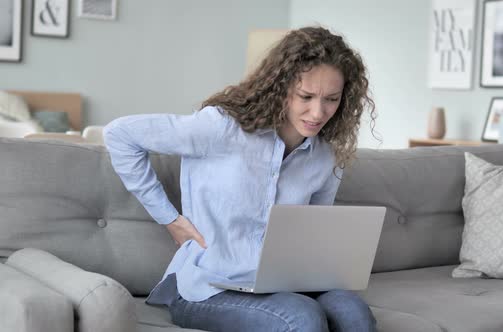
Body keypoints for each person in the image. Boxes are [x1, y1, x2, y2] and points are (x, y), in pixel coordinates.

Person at [103, 26, 377, 332]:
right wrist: (169, 218)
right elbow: (120, 134)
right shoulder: (222, 128)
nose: (318, 112)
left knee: (353, 312)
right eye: (306, 96)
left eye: (331, 99)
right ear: (281, 86)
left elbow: (311, 236)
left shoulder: (325, 157)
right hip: (207, 287)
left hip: (281, 284)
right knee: (302, 317)